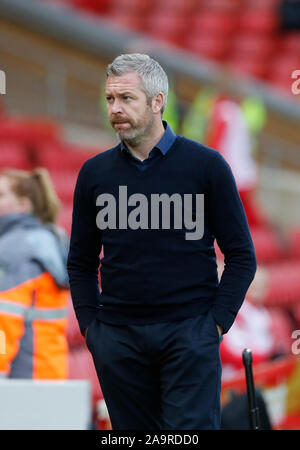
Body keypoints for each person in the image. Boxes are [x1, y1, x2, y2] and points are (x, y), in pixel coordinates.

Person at [67, 53, 257, 430]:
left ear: (157, 102)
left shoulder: (207, 165)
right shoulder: (94, 173)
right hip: (118, 342)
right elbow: (80, 262)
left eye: (126, 99)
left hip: (189, 336)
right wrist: (93, 331)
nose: (115, 109)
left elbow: (241, 256)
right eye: (110, 99)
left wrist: (214, 326)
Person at [0, 167, 69, 379]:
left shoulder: (17, 247)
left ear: (23, 204)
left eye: (1, 195)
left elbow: (4, 324)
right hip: (49, 374)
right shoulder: (45, 240)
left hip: (24, 382)